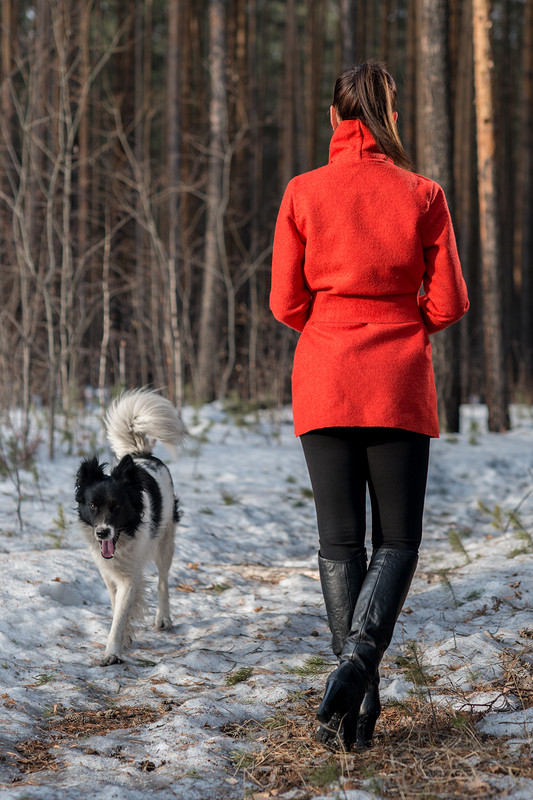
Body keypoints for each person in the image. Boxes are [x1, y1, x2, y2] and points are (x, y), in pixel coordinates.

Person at [270, 61, 469, 751]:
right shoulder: (422, 193)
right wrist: (398, 321)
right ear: (389, 114)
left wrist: (334, 329)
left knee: (337, 544)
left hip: (323, 375)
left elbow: (284, 302)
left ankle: (355, 708)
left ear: (335, 117)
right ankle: (357, 667)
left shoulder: (302, 191)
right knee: (397, 542)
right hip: (396, 379)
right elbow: (449, 302)